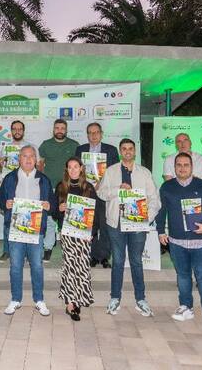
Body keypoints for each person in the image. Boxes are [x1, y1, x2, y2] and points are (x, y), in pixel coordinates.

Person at [156, 152, 202, 330]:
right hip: (177, 242)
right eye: (179, 165)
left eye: (186, 165)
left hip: (200, 242)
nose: (182, 168)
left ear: (192, 167)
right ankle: (186, 307)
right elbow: (161, 211)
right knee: (183, 276)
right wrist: (161, 231)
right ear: (174, 167)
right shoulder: (167, 187)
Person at [97, 138, 160, 317]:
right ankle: (115, 298)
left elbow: (154, 199)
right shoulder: (110, 171)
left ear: (135, 151)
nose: (127, 151)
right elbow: (101, 192)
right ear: (120, 152)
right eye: (124, 149)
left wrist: (147, 218)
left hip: (138, 222)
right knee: (117, 261)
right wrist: (118, 190)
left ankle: (140, 299)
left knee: (136, 261)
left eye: (130, 148)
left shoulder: (144, 173)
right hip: (116, 223)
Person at [0, 145, 54, 317]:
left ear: (36, 159)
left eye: (31, 156)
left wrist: (49, 205)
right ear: (19, 159)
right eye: (24, 156)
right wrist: (5, 204)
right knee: (15, 266)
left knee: (37, 265)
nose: (28, 159)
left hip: (36, 230)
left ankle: (39, 300)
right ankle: (16, 299)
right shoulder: (10, 178)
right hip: (16, 229)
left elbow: (52, 202)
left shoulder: (44, 179)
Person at [51, 157, 99, 321]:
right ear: (66, 170)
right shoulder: (60, 187)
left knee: (82, 267)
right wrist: (59, 208)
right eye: (70, 167)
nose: (73, 170)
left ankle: (79, 298)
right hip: (67, 233)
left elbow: (96, 213)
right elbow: (54, 213)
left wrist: (93, 233)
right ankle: (71, 303)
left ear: (81, 168)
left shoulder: (89, 187)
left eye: (76, 167)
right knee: (70, 267)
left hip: (84, 234)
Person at [75, 122, 119, 268]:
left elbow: (116, 171)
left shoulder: (111, 150)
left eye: (96, 132)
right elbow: (75, 170)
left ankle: (104, 256)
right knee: (89, 225)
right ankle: (92, 255)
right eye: (90, 133)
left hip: (105, 192)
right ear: (87, 135)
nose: (93, 135)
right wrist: (85, 182)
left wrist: (102, 181)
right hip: (86, 193)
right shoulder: (80, 149)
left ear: (101, 134)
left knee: (105, 225)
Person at [0, 120, 39, 262]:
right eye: (14, 129)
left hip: (28, 184)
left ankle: (27, 252)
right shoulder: (6, 147)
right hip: (11, 185)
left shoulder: (32, 147)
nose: (17, 131)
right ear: (11, 131)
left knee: (28, 218)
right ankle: (6, 250)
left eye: (20, 129)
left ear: (23, 131)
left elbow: (38, 167)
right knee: (8, 219)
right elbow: (0, 169)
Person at [38, 119, 79, 261]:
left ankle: (70, 249)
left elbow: (77, 167)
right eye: (57, 128)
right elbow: (40, 165)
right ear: (53, 129)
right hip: (49, 187)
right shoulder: (45, 145)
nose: (60, 130)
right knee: (50, 218)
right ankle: (48, 247)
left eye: (62, 128)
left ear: (66, 130)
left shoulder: (74, 145)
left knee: (68, 218)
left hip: (68, 187)